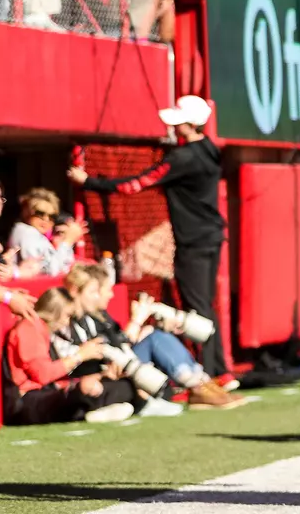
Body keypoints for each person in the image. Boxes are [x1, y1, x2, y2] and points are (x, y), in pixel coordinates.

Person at [68, 94, 235, 389]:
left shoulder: (182, 158)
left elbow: (136, 184)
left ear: (190, 123)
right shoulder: (210, 150)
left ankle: (208, 375)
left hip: (193, 241)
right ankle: (219, 370)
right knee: (205, 306)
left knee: (196, 309)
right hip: (210, 237)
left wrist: (89, 182)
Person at [63, 263, 242, 410]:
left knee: (155, 333)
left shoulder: (98, 316)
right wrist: (136, 321)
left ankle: (200, 383)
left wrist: (146, 327)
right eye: (100, 290)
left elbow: (118, 345)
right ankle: (196, 387)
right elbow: (106, 353)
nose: (109, 295)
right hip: (99, 376)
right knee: (155, 338)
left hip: (117, 367)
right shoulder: (72, 320)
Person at [3, 288, 137, 424]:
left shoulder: (41, 330)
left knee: (125, 385)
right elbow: (43, 375)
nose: (67, 323)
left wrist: (101, 375)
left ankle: (94, 410)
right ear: (55, 312)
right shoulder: (29, 329)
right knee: (84, 389)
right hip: (27, 400)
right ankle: (93, 409)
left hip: (47, 393)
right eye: (67, 315)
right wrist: (79, 356)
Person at [7, 188, 84, 278]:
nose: (46, 219)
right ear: (26, 211)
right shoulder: (27, 232)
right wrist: (68, 241)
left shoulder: (29, 232)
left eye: (52, 216)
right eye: (40, 213)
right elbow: (52, 271)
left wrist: (59, 245)